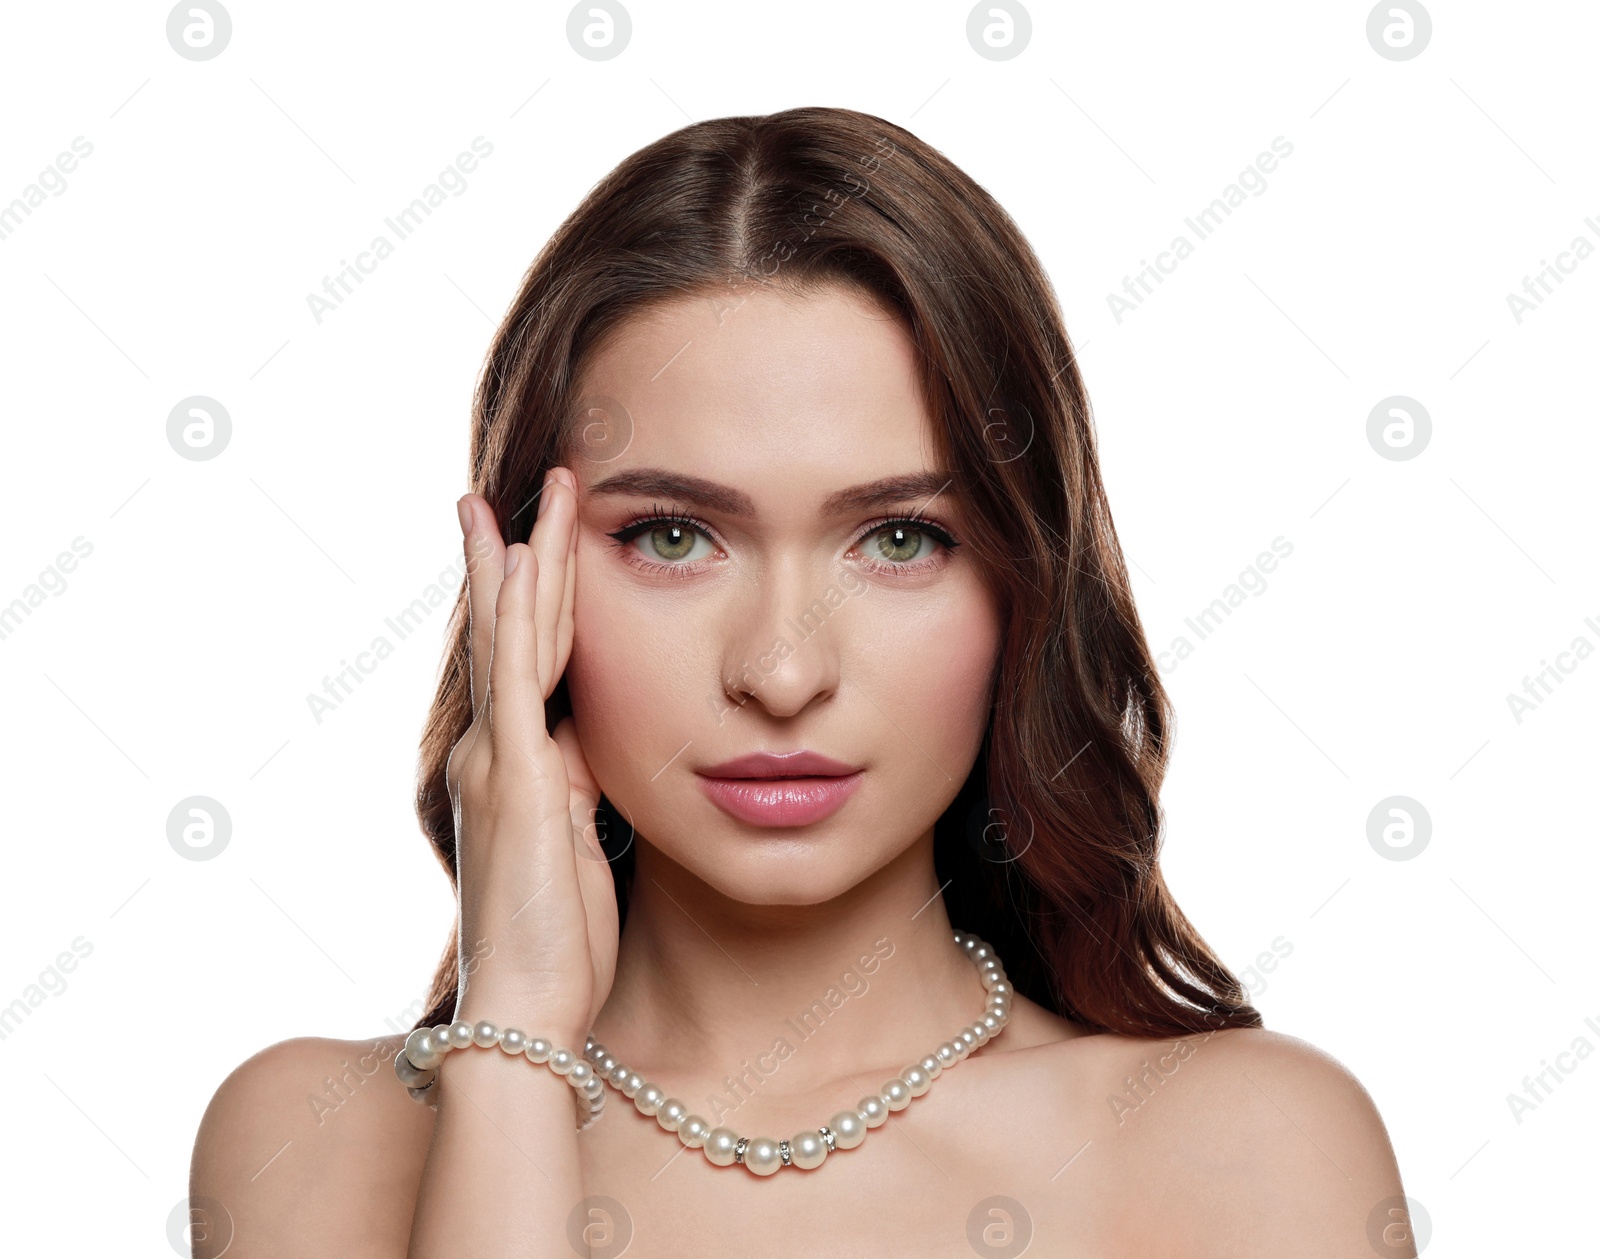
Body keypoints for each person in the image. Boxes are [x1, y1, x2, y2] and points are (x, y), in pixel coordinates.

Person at [189, 106, 1413, 1257]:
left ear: (1025, 588)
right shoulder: (313, 1136)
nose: (781, 670)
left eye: (898, 538)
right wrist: (512, 1040)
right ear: (526, 585)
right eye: (671, 535)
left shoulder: (1244, 1148)